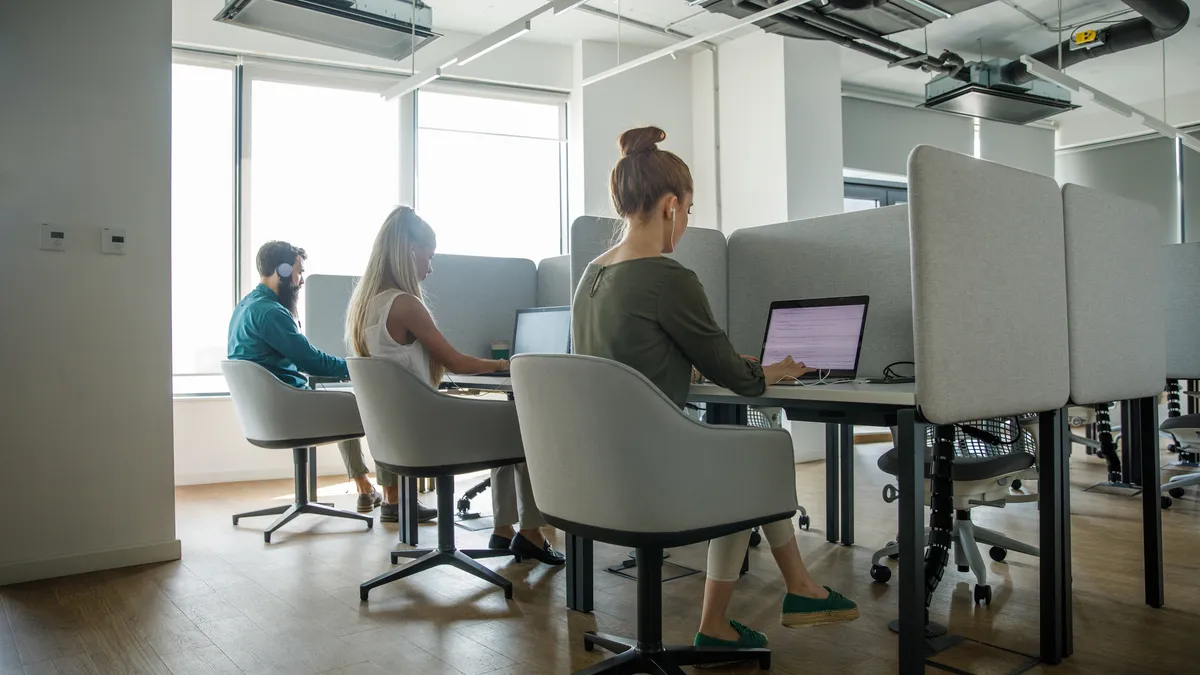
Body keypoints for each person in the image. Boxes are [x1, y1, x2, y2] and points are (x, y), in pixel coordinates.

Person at [572, 126, 859, 649]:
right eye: (689, 209)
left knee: (746, 470)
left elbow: (623, 361)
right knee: (764, 457)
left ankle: (754, 609)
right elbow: (742, 381)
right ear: (669, 204)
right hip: (653, 471)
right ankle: (781, 595)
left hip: (600, 468)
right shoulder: (667, 276)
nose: (686, 221)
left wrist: (692, 366)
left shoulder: (590, 278)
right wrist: (774, 369)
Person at [344, 206, 565, 565]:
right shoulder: (404, 305)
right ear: (409, 251)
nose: (429, 269)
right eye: (428, 257)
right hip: (427, 434)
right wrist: (504, 363)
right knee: (523, 420)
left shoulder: (364, 306)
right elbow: (457, 362)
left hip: (396, 436)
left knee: (505, 419)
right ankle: (530, 533)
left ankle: (504, 530)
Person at [228, 240, 436, 523]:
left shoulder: (246, 306)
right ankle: (394, 500)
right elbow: (310, 360)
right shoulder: (271, 313)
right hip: (287, 407)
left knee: (346, 405)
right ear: (284, 270)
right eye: (299, 272)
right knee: (376, 408)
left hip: (266, 408)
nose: (301, 280)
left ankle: (365, 487)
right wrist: (359, 367)